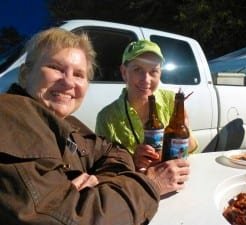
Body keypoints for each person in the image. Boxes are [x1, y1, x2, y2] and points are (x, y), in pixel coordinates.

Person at [0, 28, 180, 225]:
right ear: (26, 74)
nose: (68, 81)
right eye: (55, 68)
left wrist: (101, 182)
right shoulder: (11, 118)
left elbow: (113, 151)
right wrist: (151, 184)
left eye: (79, 74)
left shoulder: (66, 123)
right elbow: (72, 217)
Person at [95, 39, 197, 171]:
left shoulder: (172, 101)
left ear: (160, 73)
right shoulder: (106, 118)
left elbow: (193, 148)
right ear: (124, 72)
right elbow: (102, 166)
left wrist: (183, 136)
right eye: (138, 69)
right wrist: (131, 160)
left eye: (153, 71)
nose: (146, 80)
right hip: (133, 187)